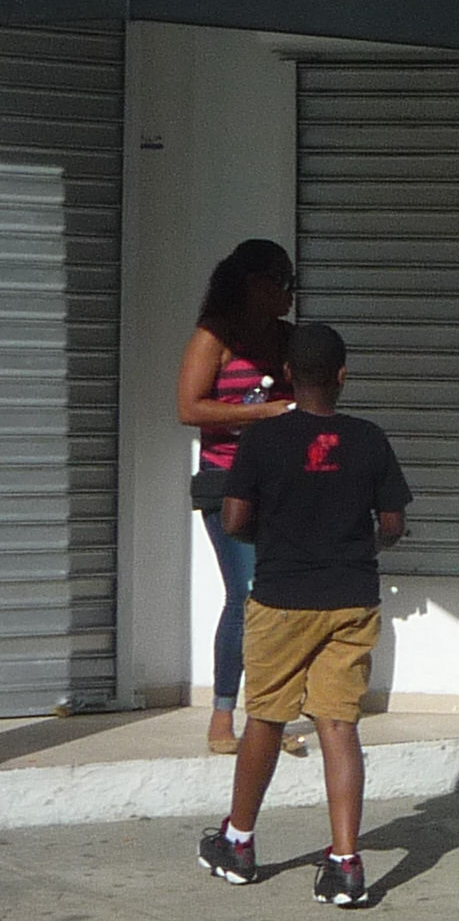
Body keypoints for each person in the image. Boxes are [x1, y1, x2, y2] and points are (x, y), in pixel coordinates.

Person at [196, 323, 411, 908]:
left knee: (266, 718)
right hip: (351, 601)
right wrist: (354, 543)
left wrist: (285, 534)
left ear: (288, 375)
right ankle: (345, 865)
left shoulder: (262, 441)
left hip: (283, 600)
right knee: (338, 725)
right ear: (342, 376)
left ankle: (238, 844)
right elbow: (392, 526)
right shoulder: (369, 439)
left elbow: (236, 520)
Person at [177, 239, 299, 754]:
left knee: (282, 595)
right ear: (254, 283)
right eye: (283, 283)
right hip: (227, 482)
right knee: (246, 593)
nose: (290, 296)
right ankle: (223, 716)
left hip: (280, 483)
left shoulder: (286, 339)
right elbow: (189, 408)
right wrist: (261, 415)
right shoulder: (215, 337)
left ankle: (271, 715)